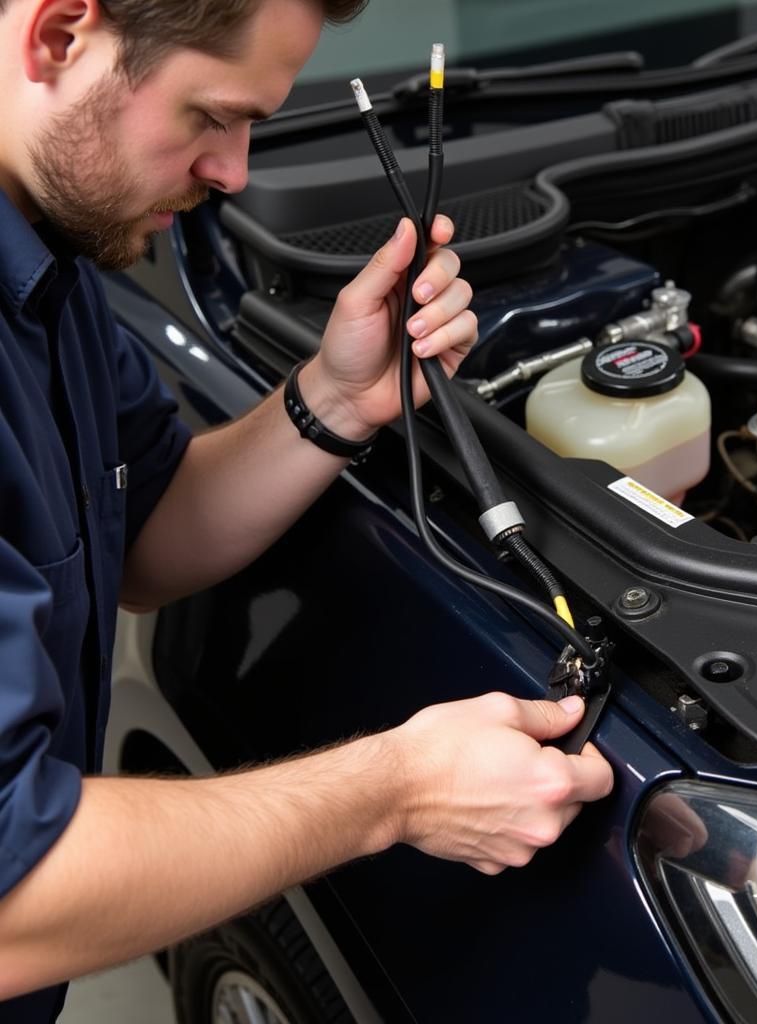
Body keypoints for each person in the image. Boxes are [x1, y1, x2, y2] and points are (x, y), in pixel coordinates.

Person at [0, 0, 615, 1017]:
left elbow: (144, 532)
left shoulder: (50, 249)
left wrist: (334, 398)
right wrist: (397, 791)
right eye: (211, 116)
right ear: (61, 35)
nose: (233, 173)